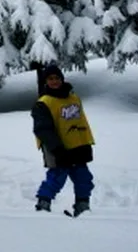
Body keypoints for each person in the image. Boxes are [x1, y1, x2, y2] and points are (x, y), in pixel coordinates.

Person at [31, 64, 95, 217]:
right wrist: (56, 148)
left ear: (62, 79)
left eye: (57, 78)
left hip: (77, 146)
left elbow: (82, 122)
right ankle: (43, 204)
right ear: (46, 82)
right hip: (57, 149)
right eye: (50, 79)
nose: (54, 81)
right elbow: (42, 129)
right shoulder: (43, 103)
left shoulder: (74, 98)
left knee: (83, 178)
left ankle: (83, 207)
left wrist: (86, 143)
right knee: (57, 177)